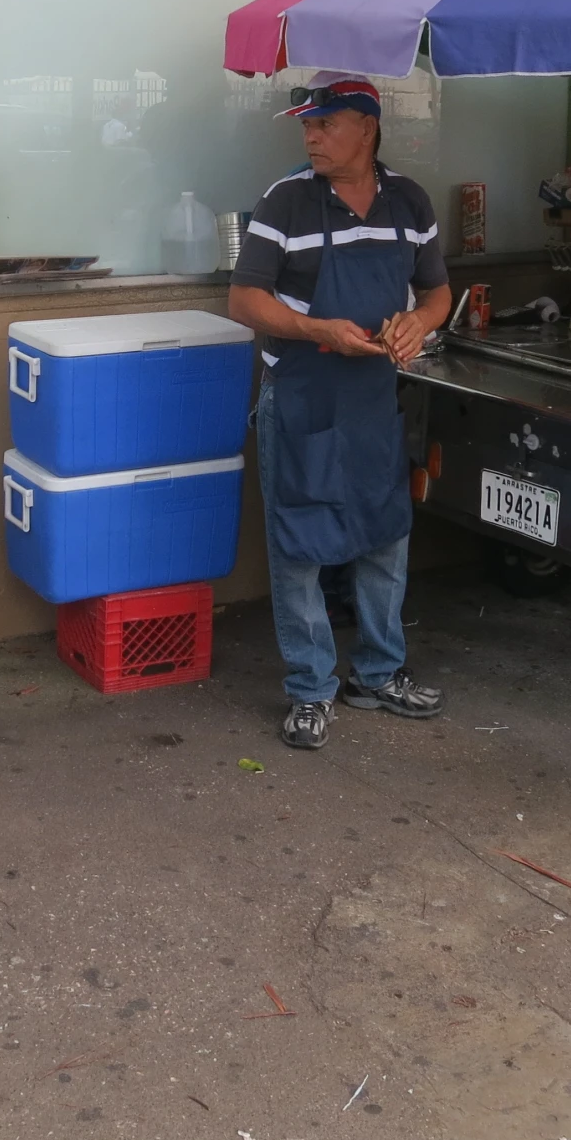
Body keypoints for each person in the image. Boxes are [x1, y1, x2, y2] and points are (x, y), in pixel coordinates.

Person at [228, 74, 453, 751]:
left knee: (386, 535)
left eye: (324, 124)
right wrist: (318, 329)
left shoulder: (408, 201)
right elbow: (245, 300)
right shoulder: (286, 201)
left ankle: (379, 675)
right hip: (300, 397)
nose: (311, 137)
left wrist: (418, 323)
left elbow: (438, 291)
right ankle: (310, 688)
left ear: (366, 125)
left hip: (372, 403)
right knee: (298, 545)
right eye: (306, 127)